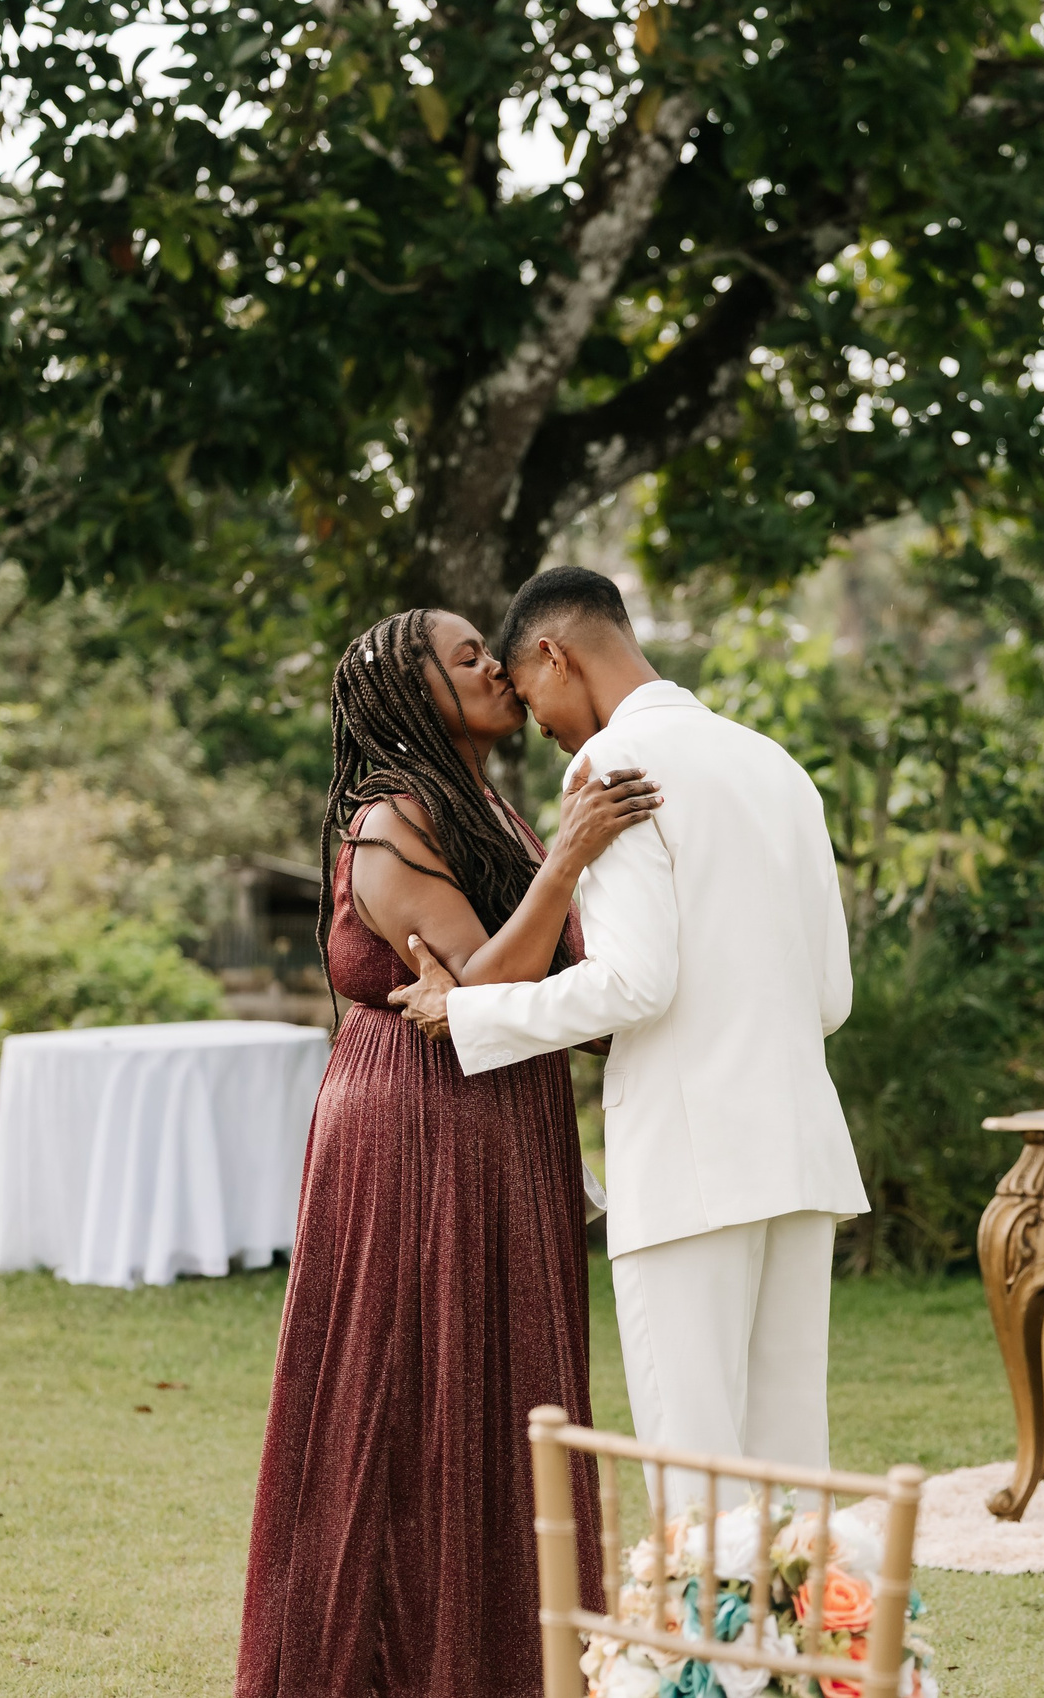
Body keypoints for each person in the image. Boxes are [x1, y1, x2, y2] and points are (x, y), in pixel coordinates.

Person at [236, 607, 664, 1698]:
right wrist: (568, 861)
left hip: (506, 1114)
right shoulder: (390, 823)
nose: (497, 670)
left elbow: (545, 983)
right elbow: (484, 989)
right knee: (408, 1390)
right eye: (468, 657)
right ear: (410, 691)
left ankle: (506, 1666)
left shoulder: (487, 807)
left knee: (504, 1386)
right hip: (415, 1121)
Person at [392, 566, 868, 1488]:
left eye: (530, 697)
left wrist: (468, 1009)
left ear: (553, 655)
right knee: (789, 1469)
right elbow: (831, 997)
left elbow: (633, 984)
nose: (540, 725)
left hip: (690, 1164)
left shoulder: (610, 767)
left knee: (693, 1466)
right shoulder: (775, 765)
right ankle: (794, 1598)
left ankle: (708, 1601)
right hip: (800, 1154)